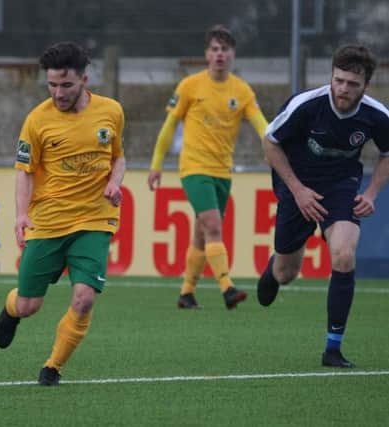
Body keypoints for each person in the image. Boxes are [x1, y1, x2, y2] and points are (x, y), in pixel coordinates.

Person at [0, 41, 126, 386]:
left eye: (65, 85)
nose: (57, 92)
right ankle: (10, 310)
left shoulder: (111, 111)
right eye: (51, 84)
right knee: (28, 306)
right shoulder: (37, 120)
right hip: (48, 221)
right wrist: (22, 215)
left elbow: (119, 156)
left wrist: (115, 182)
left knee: (83, 299)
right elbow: (24, 171)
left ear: (84, 79)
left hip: (95, 220)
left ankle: (53, 367)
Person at [257, 45, 389, 368]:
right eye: (339, 80)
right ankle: (277, 267)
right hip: (297, 184)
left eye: (352, 84)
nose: (343, 89)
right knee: (287, 273)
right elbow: (270, 143)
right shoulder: (306, 105)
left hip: (341, 186)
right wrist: (298, 190)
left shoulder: (376, 115)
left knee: (344, 253)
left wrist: (371, 193)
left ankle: (333, 348)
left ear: (365, 86)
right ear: (331, 76)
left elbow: (387, 152)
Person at [147, 25, 268, 310]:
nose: (219, 55)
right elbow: (169, 127)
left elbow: (261, 124)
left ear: (232, 54)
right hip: (194, 168)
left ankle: (186, 293)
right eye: (214, 49)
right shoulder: (190, 86)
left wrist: (271, 146)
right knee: (214, 226)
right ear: (206, 54)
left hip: (222, 171)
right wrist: (156, 165)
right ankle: (227, 288)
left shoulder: (242, 91)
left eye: (224, 49)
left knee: (202, 231)